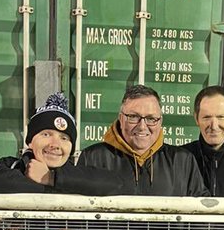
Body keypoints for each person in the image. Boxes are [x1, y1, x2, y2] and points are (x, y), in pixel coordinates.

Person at [0, 93, 127, 196]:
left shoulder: (79, 174)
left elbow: (116, 184)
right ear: (30, 141)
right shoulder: (12, 167)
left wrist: (50, 178)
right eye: (46, 134)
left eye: (64, 138)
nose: (55, 144)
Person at [78, 84, 208, 196]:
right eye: (133, 117)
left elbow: (202, 217)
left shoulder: (182, 161)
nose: (142, 126)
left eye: (151, 119)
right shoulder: (92, 158)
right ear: (121, 119)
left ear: (160, 121)